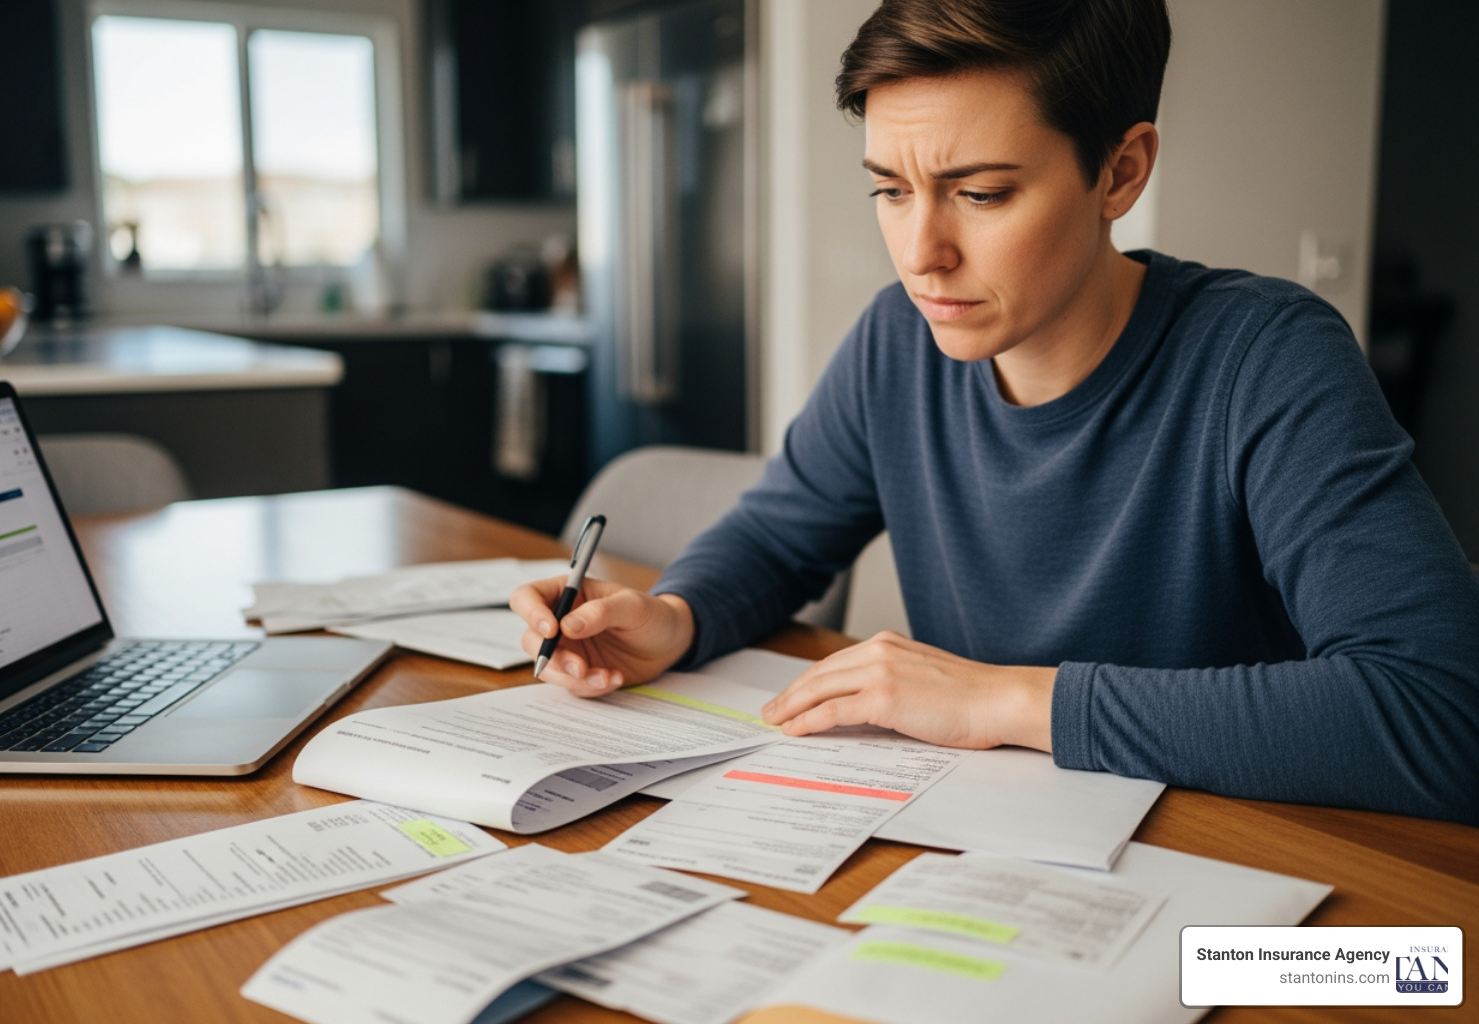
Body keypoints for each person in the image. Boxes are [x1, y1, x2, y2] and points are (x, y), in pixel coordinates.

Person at [510, 0, 1479, 825]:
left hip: (1232, 876)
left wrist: (1008, 698)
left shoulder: (1264, 357)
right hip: (982, 847)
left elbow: (1440, 708)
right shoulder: (900, 340)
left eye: (979, 193)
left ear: (1121, 172)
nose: (921, 252)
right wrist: (676, 618)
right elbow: (777, 534)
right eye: (890, 190)